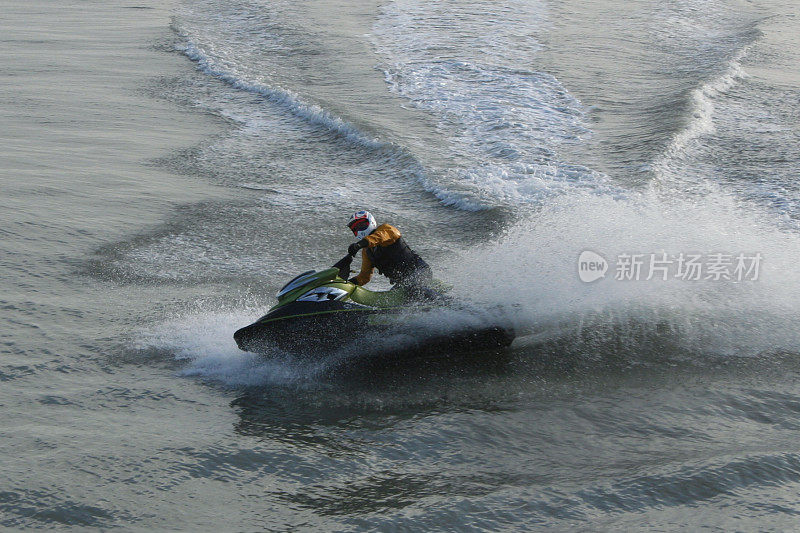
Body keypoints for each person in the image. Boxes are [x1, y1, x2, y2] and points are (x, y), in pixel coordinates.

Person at [345, 210, 433, 296]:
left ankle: (443, 303)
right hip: (404, 282)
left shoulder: (386, 229)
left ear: (371, 221)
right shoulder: (367, 251)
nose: (359, 229)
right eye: (356, 228)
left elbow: (378, 237)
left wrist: (359, 245)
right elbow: (364, 277)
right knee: (394, 297)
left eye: (362, 224)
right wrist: (348, 284)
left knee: (414, 289)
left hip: (419, 271)